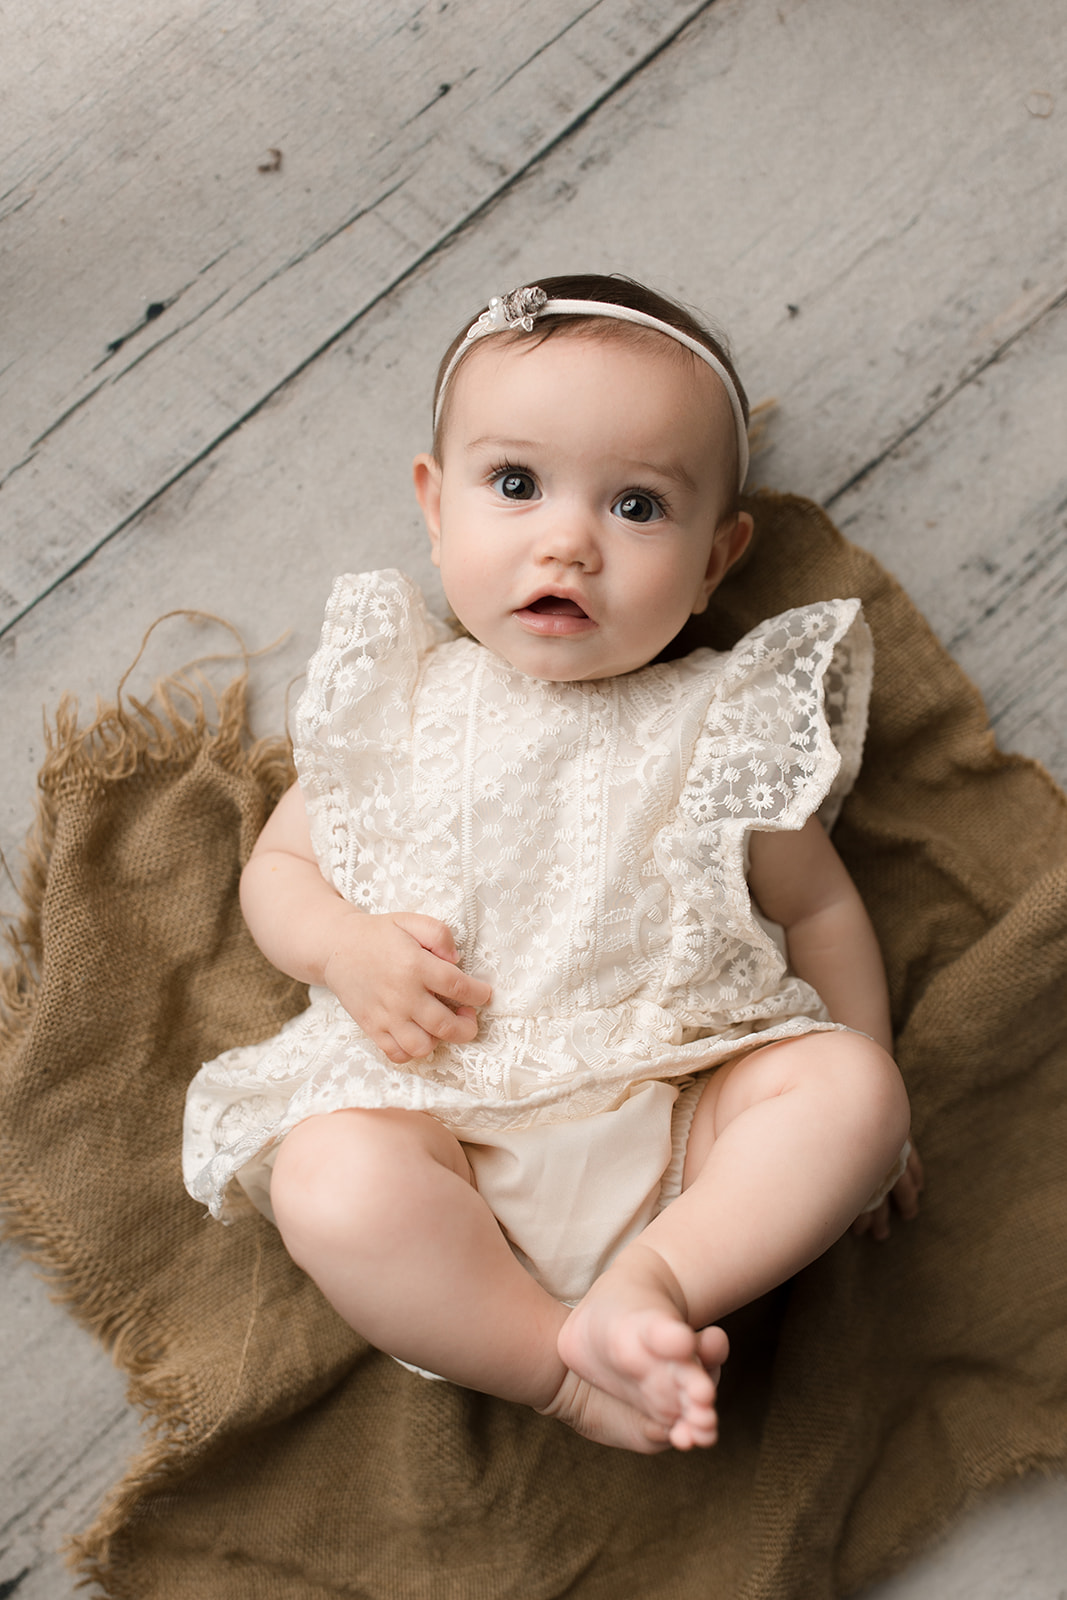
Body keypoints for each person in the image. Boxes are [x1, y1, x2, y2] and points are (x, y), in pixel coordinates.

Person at [183, 274, 922, 1455]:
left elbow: (819, 904)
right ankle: (557, 1369)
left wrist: (865, 1091)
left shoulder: (716, 718)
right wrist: (343, 947)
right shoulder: (402, 703)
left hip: (683, 1108)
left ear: (716, 558)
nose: (567, 541)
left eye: (636, 506)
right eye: (515, 485)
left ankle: (655, 1286)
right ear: (434, 508)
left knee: (850, 1091)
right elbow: (277, 873)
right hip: (445, 1130)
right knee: (332, 1177)